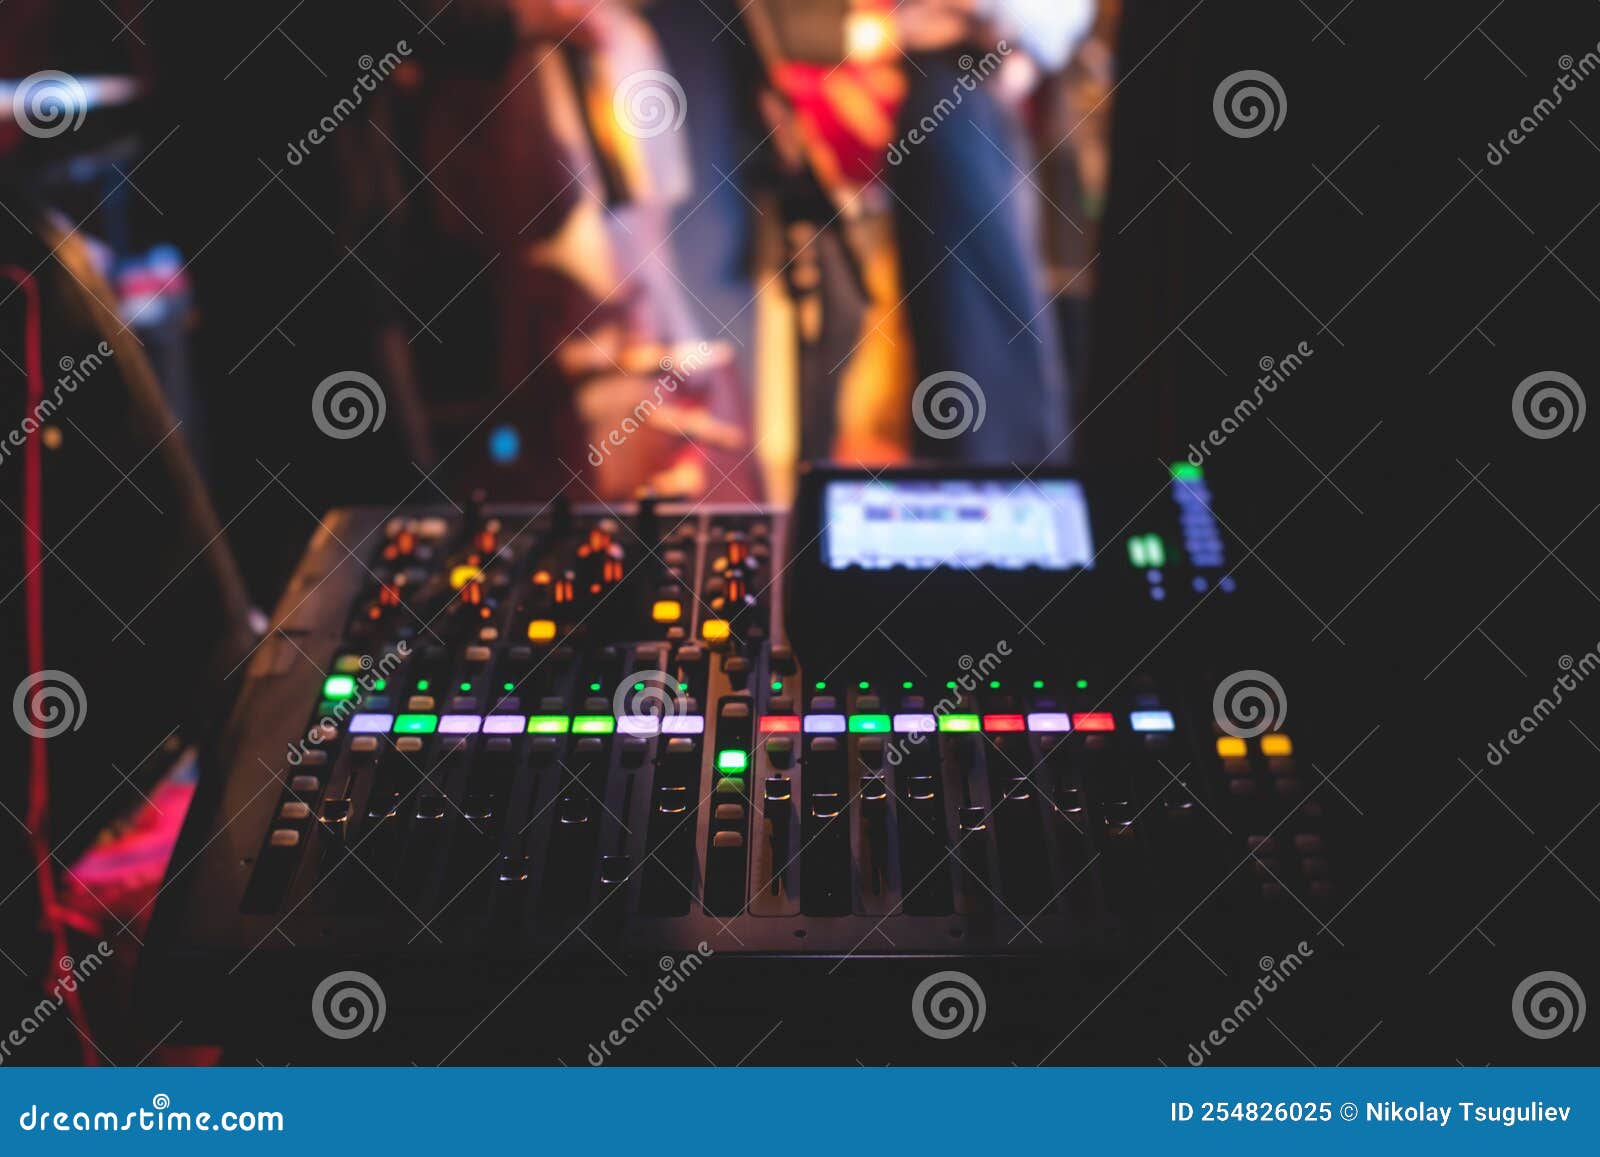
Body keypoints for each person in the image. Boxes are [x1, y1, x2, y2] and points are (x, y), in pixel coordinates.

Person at [886, 0, 1093, 466]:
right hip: (947, 95)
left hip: (981, 97)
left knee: (998, 318)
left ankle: (1006, 485)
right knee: (963, 320)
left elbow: (1051, 23)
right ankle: (978, 485)